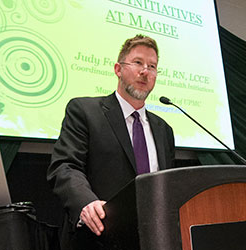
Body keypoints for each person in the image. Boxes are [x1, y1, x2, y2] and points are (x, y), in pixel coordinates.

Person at [47, 34, 175, 250]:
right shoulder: (85, 111)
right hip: (98, 238)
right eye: (137, 62)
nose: (145, 71)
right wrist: (87, 202)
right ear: (118, 69)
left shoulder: (164, 129)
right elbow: (65, 166)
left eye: (152, 66)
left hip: (153, 239)